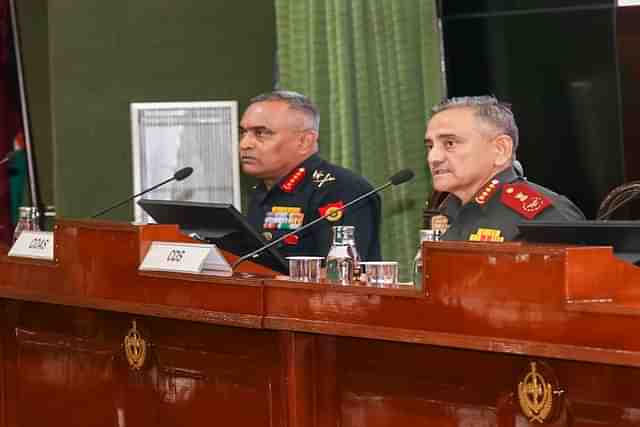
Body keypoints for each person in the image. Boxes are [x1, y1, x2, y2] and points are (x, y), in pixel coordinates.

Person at [240, 90, 381, 260]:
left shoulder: (342, 190)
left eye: (261, 133)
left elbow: (339, 273)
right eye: (243, 133)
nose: (245, 144)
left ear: (304, 141)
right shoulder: (261, 189)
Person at [424, 96, 585, 242]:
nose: (433, 158)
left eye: (450, 143)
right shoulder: (447, 210)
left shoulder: (543, 218)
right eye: (430, 146)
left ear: (501, 149)